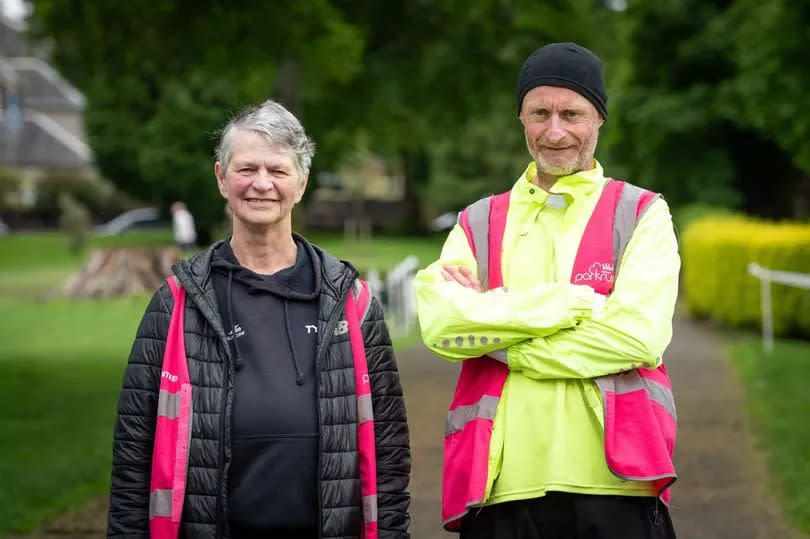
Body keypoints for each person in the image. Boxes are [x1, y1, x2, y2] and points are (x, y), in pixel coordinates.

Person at [107, 100, 411, 538]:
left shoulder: (353, 302)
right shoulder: (176, 303)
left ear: (301, 183)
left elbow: (389, 452)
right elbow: (134, 453)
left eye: (278, 171)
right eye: (247, 169)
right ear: (220, 178)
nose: (261, 184)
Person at [414, 42, 679, 539]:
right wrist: (573, 304)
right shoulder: (476, 221)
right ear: (521, 118)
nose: (555, 131)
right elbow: (443, 325)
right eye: (540, 113)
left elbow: (637, 339)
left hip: (617, 483)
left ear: (599, 119)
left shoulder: (642, 213)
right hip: (501, 485)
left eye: (571, 113)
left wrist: (506, 345)